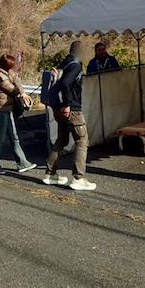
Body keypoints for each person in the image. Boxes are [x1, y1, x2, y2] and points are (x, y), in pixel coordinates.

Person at [44, 41, 97, 191]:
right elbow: (67, 83)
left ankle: (50, 173)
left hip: (58, 108)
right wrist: (68, 104)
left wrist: (60, 106)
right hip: (71, 109)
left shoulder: (64, 63)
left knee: (61, 140)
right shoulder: (75, 65)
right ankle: (79, 178)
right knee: (82, 141)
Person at [0, 54, 36, 175]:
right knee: (0, 139)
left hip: (7, 109)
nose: (13, 68)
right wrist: (21, 94)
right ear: (6, 65)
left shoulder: (7, 72)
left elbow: (17, 81)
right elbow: (11, 89)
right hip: (0, 110)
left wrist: (23, 93)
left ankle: (23, 163)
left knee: (14, 137)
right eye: (11, 65)